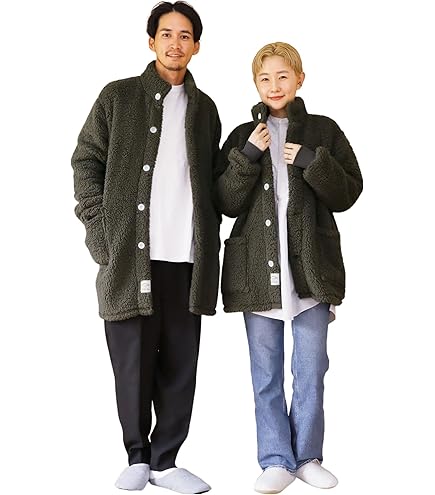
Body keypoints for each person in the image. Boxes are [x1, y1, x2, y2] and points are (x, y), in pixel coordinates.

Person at [71, 2, 221, 493]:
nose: (176, 43)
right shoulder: (118, 97)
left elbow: (214, 183)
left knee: (180, 363)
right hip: (131, 256)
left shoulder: (205, 110)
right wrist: (101, 234)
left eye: (185, 35)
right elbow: (86, 162)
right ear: (152, 40)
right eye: (167, 34)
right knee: (132, 361)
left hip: (188, 257)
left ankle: (167, 461)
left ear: (196, 46)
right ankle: (137, 456)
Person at [215, 42, 362, 493]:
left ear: (299, 78)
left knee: (311, 369)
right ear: (255, 84)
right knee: (266, 374)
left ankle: (307, 457)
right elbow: (224, 201)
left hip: (311, 271)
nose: (274, 85)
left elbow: (348, 192)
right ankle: (276, 459)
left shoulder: (324, 130)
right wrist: (247, 156)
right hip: (256, 271)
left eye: (283, 76)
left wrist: (313, 162)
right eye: (265, 78)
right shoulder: (242, 134)